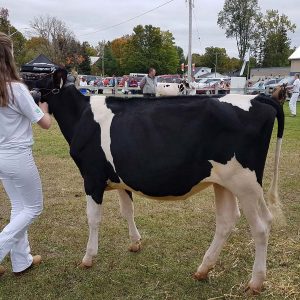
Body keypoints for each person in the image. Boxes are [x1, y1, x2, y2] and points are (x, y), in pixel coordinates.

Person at [0, 32, 51, 277]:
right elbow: (45, 124)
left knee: (19, 206)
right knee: (33, 207)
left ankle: (21, 261)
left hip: (2, 156)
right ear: (9, 57)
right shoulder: (15, 89)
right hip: (17, 155)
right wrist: (43, 107)